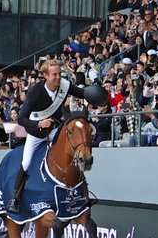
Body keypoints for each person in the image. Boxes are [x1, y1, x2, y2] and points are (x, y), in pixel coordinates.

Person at [8, 60, 94, 212]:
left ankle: (84, 193)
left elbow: (83, 93)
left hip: (55, 128)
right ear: (45, 76)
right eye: (54, 74)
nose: (58, 77)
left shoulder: (64, 86)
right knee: (26, 162)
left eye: (59, 74)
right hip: (36, 133)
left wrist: (95, 95)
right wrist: (39, 124)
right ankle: (15, 198)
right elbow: (21, 118)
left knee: (74, 151)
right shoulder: (35, 91)